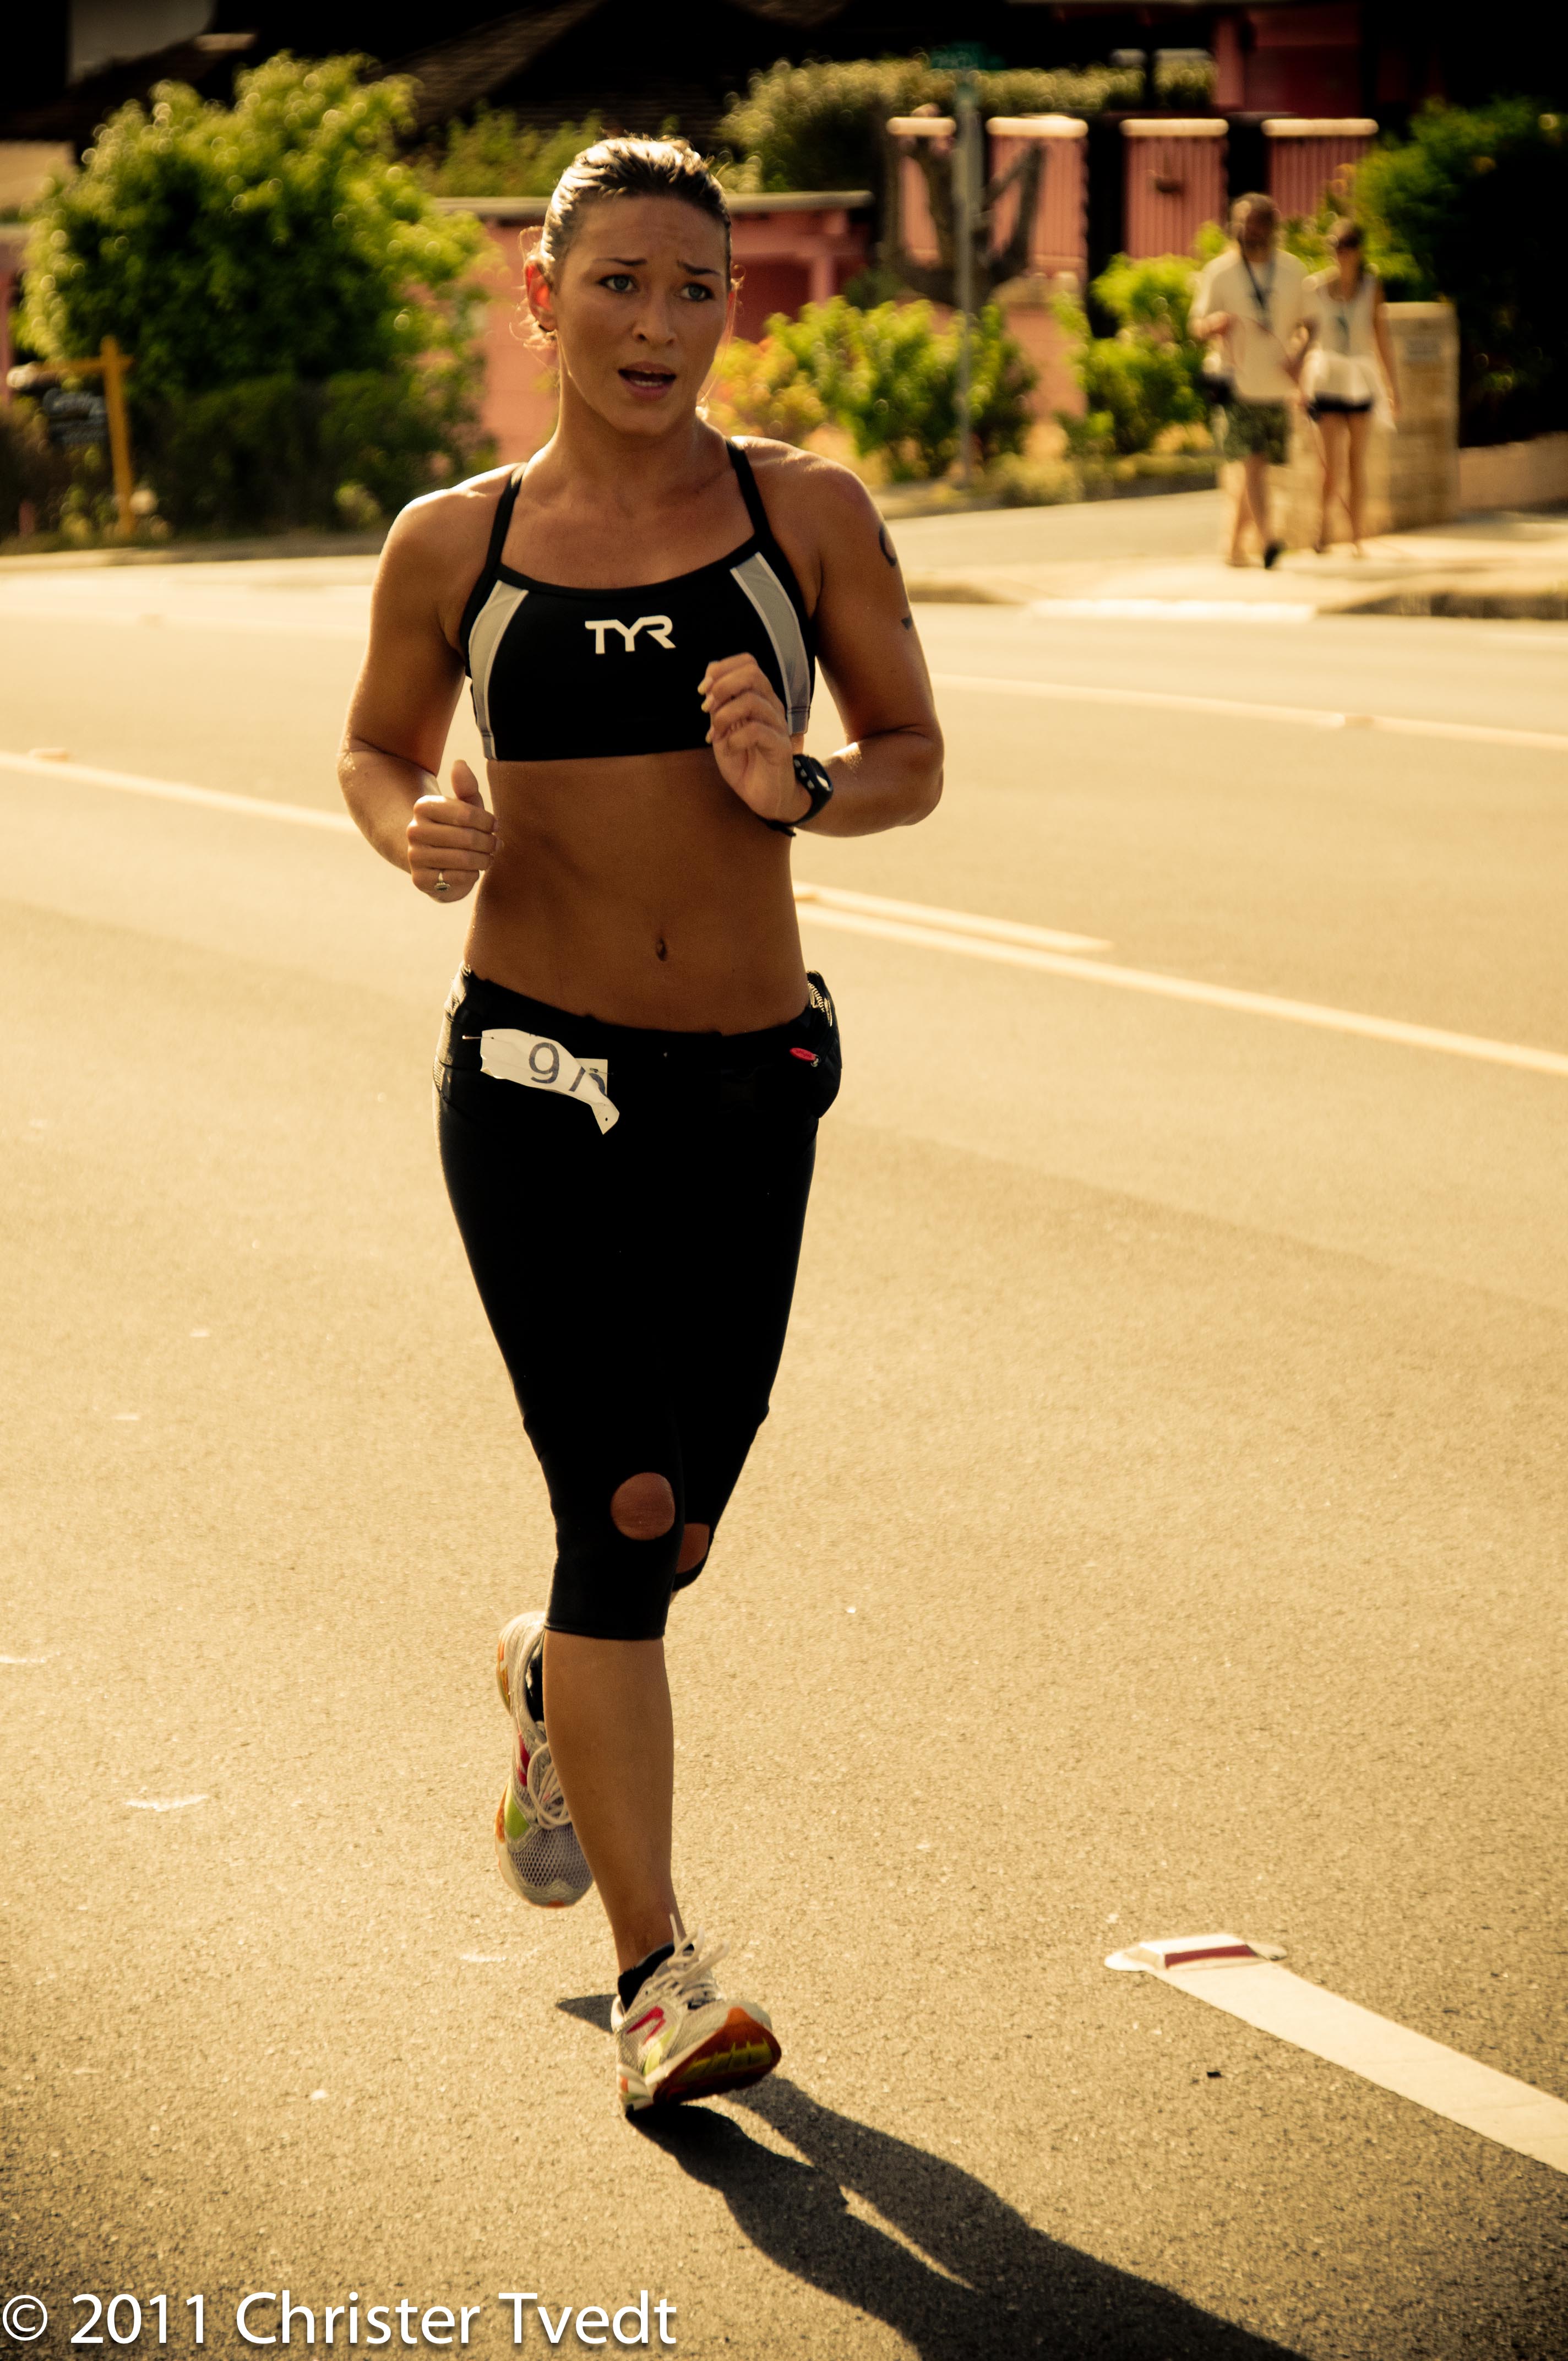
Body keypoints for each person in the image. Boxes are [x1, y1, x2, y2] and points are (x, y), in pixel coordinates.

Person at [336, 137, 942, 2116]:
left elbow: (912, 757)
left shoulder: (802, 514)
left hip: (747, 1081)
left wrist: (803, 785)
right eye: (617, 283)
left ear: (728, 309)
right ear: (542, 298)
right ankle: (657, 1972)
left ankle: (549, 1679)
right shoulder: (457, 543)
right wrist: (413, 827)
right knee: (617, 1504)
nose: (657, 323)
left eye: (695, 287)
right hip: (535, 1077)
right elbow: (372, 746)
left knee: (673, 1526)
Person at [1191, 194, 1313, 568]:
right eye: (1241, 223)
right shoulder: (1219, 272)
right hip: (1235, 384)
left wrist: (1300, 357)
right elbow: (1196, 325)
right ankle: (1269, 540)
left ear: (1272, 227)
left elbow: (1312, 325)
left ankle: (1232, 547)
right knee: (1253, 463)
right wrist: (1213, 325)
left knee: (1255, 471)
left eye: (1256, 223)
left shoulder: (1293, 271)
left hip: (1276, 387)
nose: (1247, 231)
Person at [1302, 219, 1399, 556]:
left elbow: (1381, 339)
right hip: (1328, 379)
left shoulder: (1372, 288)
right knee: (1331, 465)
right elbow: (1305, 338)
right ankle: (1322, 531)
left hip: (1360, 381)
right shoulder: (1315, 288)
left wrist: (1393, 388)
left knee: (1357, 461)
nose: (1342, 252)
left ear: (1359, 250)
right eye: (1337, 245)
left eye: (1348, 245)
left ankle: (1357, 537)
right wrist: (1299, 383)